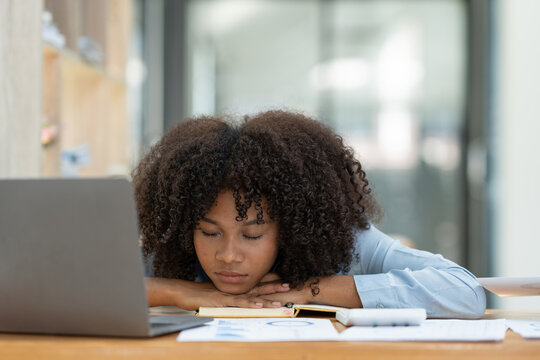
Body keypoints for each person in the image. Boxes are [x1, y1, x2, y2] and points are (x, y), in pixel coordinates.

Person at [132, 110, 486, 318]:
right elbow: (85, 288)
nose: (228, 255)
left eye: (252, 234)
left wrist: (314, 289)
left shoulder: (350, 244)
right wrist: (178, 292)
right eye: (209, 233)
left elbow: (465, 291)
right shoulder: (173, 249)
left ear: (290, 226)